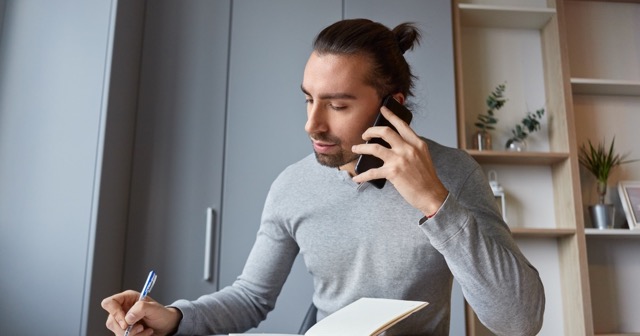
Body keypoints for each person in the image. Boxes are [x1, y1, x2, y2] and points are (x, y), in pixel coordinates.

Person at [102, 18, 545, 336]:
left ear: (390, 104)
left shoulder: (454, 176)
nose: (312, 125)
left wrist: (435, 202)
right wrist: (175, 317)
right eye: (308, 99)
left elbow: (519, 322)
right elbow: (251, 298)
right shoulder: (291, 187)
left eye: (337, 105)